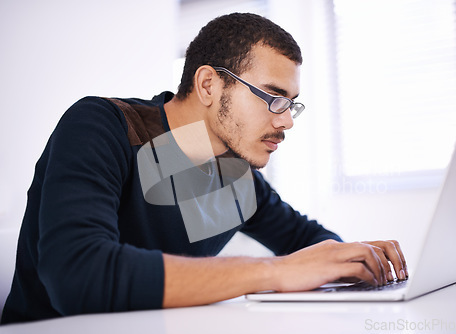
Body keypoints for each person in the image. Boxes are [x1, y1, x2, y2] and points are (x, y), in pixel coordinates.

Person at [1, 13, 408, 325]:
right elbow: (78, 276)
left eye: (291, 103)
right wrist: (274, 272)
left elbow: (310, 244)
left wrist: (356, 262)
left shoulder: (235, 175)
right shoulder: (102, 126)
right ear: (209, 85)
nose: (286, 121)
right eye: (272, 97)